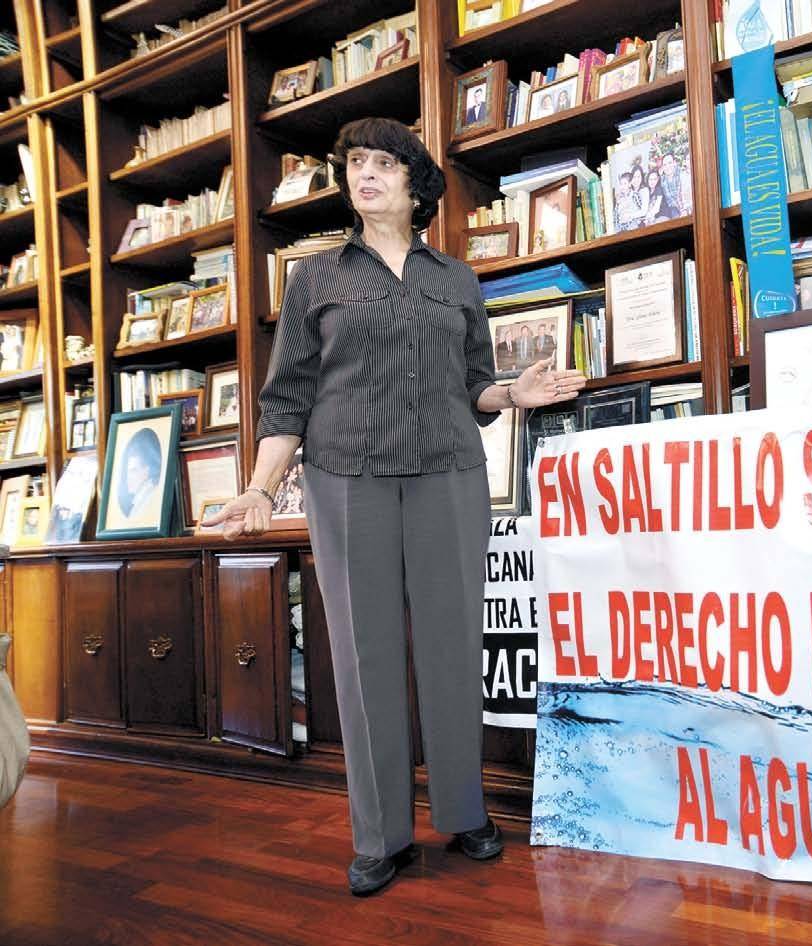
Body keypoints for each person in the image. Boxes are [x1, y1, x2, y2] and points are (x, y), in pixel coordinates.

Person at [203, 117, 586, 898]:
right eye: (355, 164)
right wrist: (257, 488)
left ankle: (463, 811)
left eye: (384, 163)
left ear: (416, 184)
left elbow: (474, 385)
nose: (365, 175)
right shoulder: (314, 278)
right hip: (347, 480)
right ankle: (379, 835)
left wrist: (516, 392)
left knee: (452, 645)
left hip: (449, 474)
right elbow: (286, 403)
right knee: (363, 653)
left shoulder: (455, 279)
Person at [119, 427, 163, 521]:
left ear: (147, 470)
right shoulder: (140, 499)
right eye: (128, 472)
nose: (128, 478)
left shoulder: (149, 499)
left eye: (133, 470)